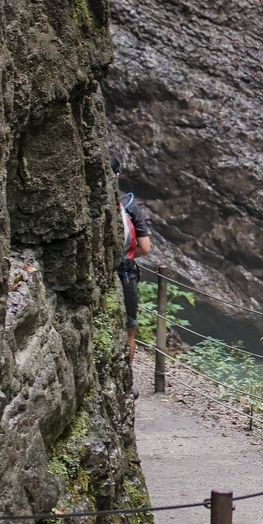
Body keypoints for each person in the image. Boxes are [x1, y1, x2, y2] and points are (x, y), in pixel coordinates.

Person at [114, 157, 153, 370]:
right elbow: (145, 248)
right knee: (129, 328)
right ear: (117, 176)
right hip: (126, 275)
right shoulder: (128, 204)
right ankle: (125, 381)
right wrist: (126, 256)